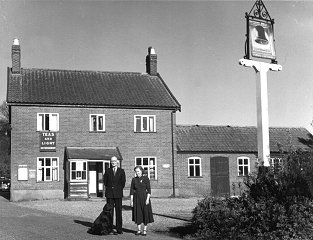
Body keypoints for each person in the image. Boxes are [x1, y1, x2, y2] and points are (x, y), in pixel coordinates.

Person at [103, 156, 126, 234]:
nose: (113, 162)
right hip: (109, 194)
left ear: (117, 162)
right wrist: (110, 189)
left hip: (118, 194)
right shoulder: (107, 171)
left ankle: (119, 229)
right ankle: (109, 228)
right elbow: (105, 182)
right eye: (112, 161)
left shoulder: (121, 171)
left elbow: (123, 183)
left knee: (118, 212)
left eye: (114, 161)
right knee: (109, 212)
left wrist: (117, 189)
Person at [130, 166, 154, 236]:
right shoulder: (134, 179)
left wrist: (147, 199)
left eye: (138, 171)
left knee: (145, 213)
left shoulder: (146, 178)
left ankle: (144, 230)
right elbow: (131, 190)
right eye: (136, 172)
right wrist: (131, 201)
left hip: (144, 198)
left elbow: (149, 190)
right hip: (136, 198)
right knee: (138, 213)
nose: (137, 173)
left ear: (141, 171)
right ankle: (139, 230)